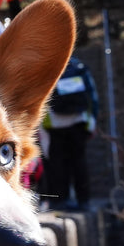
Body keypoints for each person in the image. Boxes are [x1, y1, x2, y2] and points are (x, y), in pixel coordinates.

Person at [40, 55, 99, 211]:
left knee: (56, 164)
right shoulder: (78, 67)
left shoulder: (46, 67)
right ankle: (83, 201)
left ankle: (59, 201)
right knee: (79, 162)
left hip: (53, 123)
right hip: (79, 121)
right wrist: (93, 120)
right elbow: (92, 96)